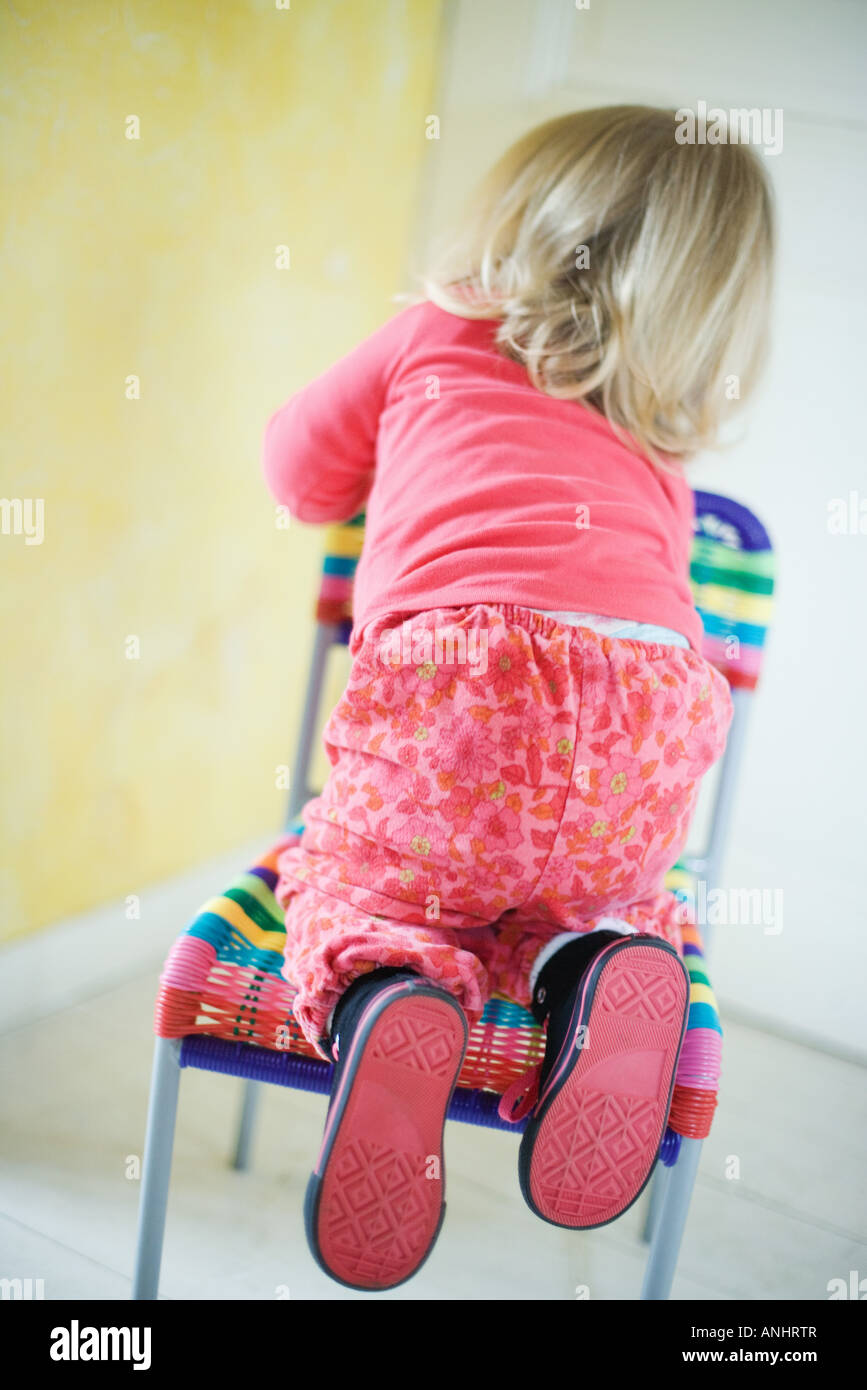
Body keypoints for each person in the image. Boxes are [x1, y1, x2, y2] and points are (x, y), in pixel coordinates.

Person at [261, 105, 774, 1291]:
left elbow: (294, 472)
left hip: (460, 701)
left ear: (528, 213)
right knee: (585, 883)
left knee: (347, 874)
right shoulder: (657, 437)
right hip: (650, 711)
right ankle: (593, 960)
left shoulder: (439, 332)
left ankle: (389, 986)